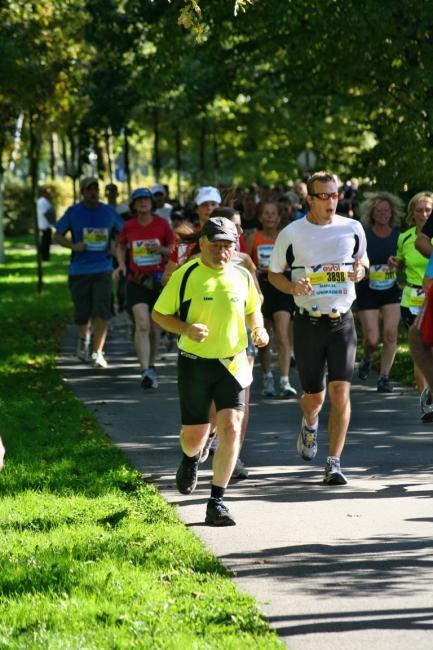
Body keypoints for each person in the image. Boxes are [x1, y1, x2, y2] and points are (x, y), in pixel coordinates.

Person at [152, 216, 268, 526]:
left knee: (231, 424)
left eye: (228, 246)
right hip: (194, 363)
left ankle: (217, 500)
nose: (222, 252)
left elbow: (253, 309)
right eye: (215, 245)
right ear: (202, 243)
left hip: (232, 362)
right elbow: (159, 314)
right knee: (194, 436)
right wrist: (186, 329)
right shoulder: (186, 274)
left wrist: (258, 329)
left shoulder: (242, 275)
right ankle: (191, 458)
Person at [268, 170, 367, 485]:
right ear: (309, 198)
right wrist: (294, 288)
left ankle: (334, 462)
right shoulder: (292, 233)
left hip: (342, 322)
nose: (331, 201)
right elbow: (273, 274)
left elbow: (361, 263)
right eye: (323, 195)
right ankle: (309, 423)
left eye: (335, 194)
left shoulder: (352, 228)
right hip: (308, 323)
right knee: (315, 397)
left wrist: (359, 273)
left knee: (341, 391)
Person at [54, 177, 123, 368]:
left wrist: (115, 247)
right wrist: (73, 245)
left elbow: (124, 234)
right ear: (82, 192)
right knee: (82, 314)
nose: (93, 192)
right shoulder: (73, 212)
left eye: (96, 189)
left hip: (103, 269)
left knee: (102, 310)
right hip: (79, 270)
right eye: (89, 189)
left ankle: (97, 352)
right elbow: (57, 234)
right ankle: (84, 336)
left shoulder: (108, 212)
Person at [117, 188, 174, 389]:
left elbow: (174, 249)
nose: (143, 203)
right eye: (139, 200)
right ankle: (144, 371)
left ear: (152, 203)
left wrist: (162, 250)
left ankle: (151, 365)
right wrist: (122, 265)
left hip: (158, 282)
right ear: (133, 205)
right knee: (142, 324)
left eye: (146, 200)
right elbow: (121, 245)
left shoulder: (162, 224)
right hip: (136, 281)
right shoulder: (128, 226)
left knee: (155, 327)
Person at [388, 192, 433, 411]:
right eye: (419, 210)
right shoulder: (405, 237)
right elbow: (402, 263)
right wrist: (396, 263)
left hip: (431, 296)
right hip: (413, 298)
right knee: (421, 349)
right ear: (412, 213)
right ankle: (426, 399)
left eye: (428, 210)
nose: (424, 214)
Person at [356, 192, 404, 392]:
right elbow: (355, 259)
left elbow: (405, 262)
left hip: (391, 290)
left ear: (392, 212)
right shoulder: (364, 235)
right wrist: (363, 272)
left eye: (386, 210)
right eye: (379, 211)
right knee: (373, 339)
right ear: (372, 214)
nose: (383, 214)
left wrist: (398, 266)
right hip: (368, 290)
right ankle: (367, 358)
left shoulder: (399, 236)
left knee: (391, 334)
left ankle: (384, 377)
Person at [249, 202, 297, 398]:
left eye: (273, 214)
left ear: (279, 217)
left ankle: (285, 380)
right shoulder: (254, 237)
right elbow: (247, 262)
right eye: (266, 214)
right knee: (264, 336)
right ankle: (268, 376)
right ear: (261, 218)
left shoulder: (285, 237)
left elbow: (296, 261)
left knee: (282, 334)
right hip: (262, 288)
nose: (269, 217)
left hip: (282, 286)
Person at [37, 187, 56, 261]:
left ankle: (46, 257)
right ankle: (44, 257)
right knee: (44, 242)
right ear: (44, 193)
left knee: (47, 242)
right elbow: (45, 213)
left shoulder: (46, 201)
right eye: (48, 192)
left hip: (47, 225)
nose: (50, 194)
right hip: (44, 225)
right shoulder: (42, 201)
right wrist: (51, 223)